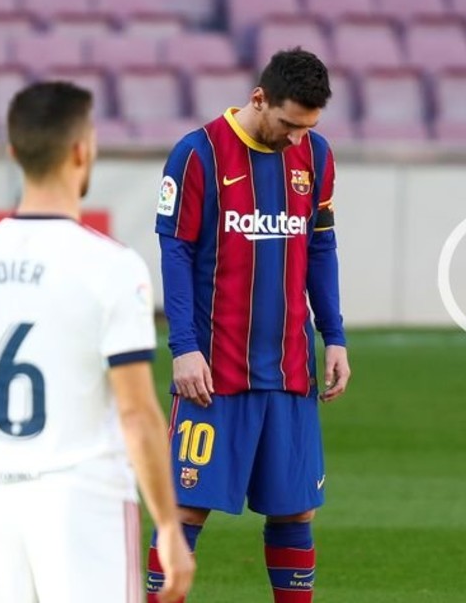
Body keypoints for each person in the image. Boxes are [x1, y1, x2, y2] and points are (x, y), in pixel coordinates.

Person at [0, 81, 194, 603]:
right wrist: (168, 525)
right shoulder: (112, 266)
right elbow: (137, 413)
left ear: (14, 153)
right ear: (82, 151)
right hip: (84, 505)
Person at [148, 48, 350, 603]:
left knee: (295, 509)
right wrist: (184, 347)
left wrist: (333, 336)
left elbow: (321, 247)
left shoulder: (316, 155)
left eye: (308, 127)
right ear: (259, 99)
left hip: (288, 368)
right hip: (214, 371)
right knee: (186, 507)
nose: (296, 137)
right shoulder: (198, 153)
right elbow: (175, 252)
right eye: (288, 123)